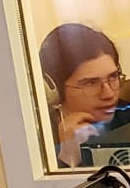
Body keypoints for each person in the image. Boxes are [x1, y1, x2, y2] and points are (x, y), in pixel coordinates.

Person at [40, 22, 123, 167]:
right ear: (54, 90)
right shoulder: (36, 141)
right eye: (91, 83)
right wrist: (68, 157)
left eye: (113, 77)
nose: (109, 94)